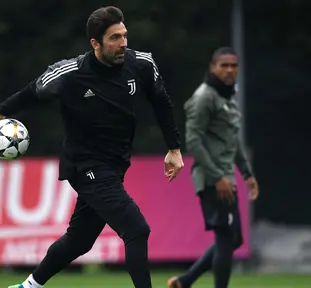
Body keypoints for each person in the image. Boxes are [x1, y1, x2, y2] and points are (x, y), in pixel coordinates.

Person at [2, 6, 184, 288]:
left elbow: (162, 102)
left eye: (124, 35)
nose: (123, 43)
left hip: (115, 166)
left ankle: (27, 287)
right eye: (114, 38)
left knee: (79, 241)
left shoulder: (143, 64)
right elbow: (30, 94)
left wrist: (173, 148)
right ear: (95, 43)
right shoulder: (70, 73)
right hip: (84, 165)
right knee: (137, 229)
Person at [167, 47, 258, 288]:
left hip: (226, 177)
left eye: (233, 65)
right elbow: (193, 141)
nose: (229, 70)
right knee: (226, 238)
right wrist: (217, 177)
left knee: (233, 238)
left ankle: (184, 282)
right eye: (224, 65)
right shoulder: (204, 97)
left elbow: (232, 139)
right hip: (213, 179)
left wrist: (247, 173)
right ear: (213, 68)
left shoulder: (226, 96)